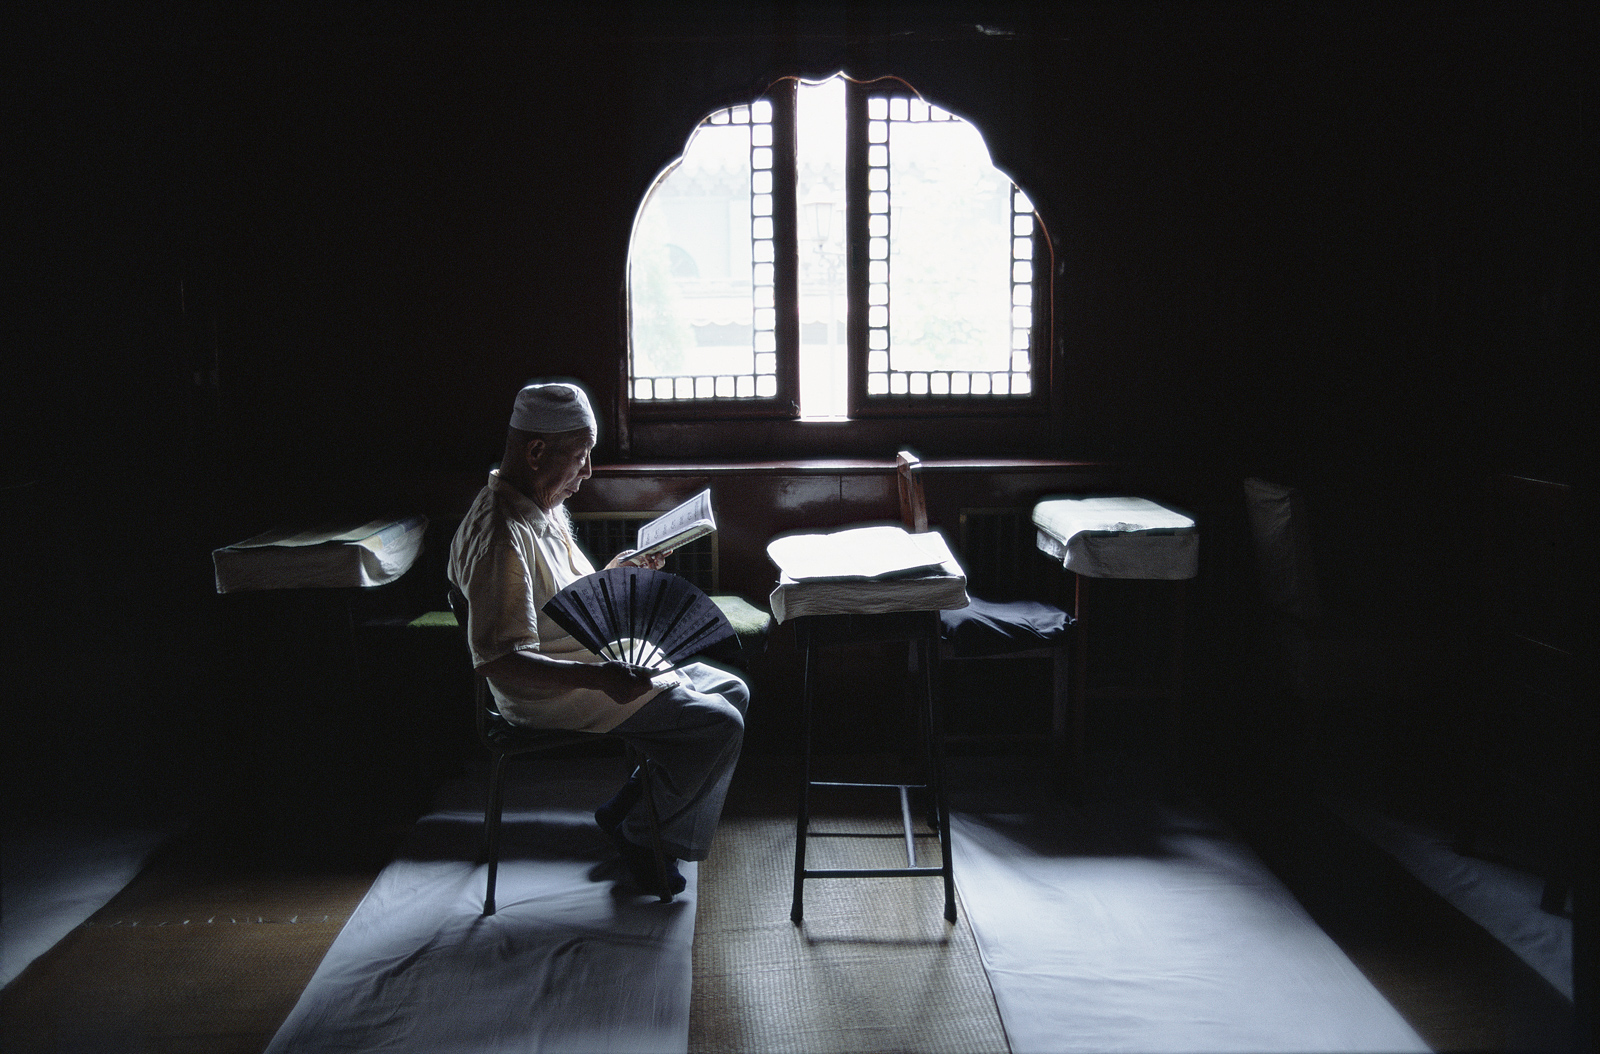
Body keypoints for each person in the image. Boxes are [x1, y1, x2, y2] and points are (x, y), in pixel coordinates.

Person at [448, 381, 748, 896]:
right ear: (537, 451)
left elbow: (562, 600)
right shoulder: (501, 534)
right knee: (717, 725)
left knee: (733, 693)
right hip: (549, 690)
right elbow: (498, 660)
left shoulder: (535, 503)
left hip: (593, 664)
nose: (586, 471)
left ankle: (628, 810)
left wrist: (619, 569)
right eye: (581, 456)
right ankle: (642, 835)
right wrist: (602, 678)